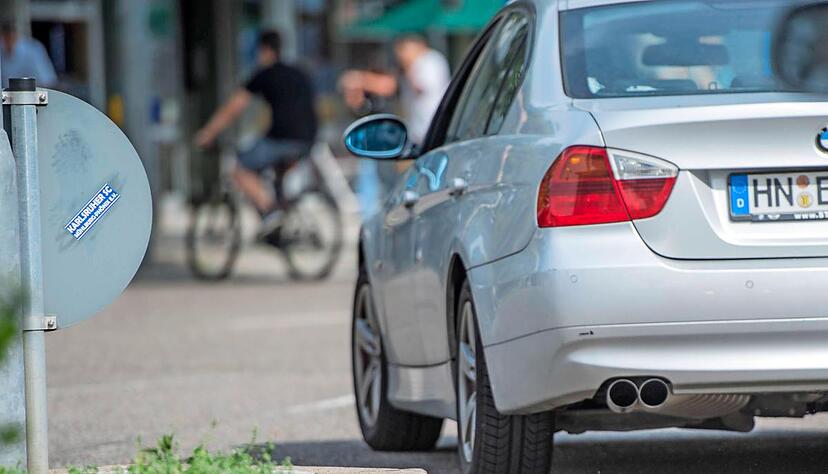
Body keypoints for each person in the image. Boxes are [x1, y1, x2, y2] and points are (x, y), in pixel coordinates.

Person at [196, 30, 317, 230]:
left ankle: (270, 212)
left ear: (264, 50)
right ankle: (278, 221)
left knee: (239, 167)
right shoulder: (298, 72)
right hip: (308, 139)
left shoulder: (265, 74)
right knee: (270, 168)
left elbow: (233, 108)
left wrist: (208, 133)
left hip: (283, 139)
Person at [340, 34, 450, 144]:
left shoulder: (427, 61)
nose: (400, 57)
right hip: (423, 133)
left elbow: (401, 86)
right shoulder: (421, 63)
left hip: (432, 132)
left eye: (402, 51)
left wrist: (361, 80)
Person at [0, 21, 57, 88]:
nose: (9, 40)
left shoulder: (33, 49)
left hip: (32, 94)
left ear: (16, 35)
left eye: (11, 36)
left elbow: (46, 81)